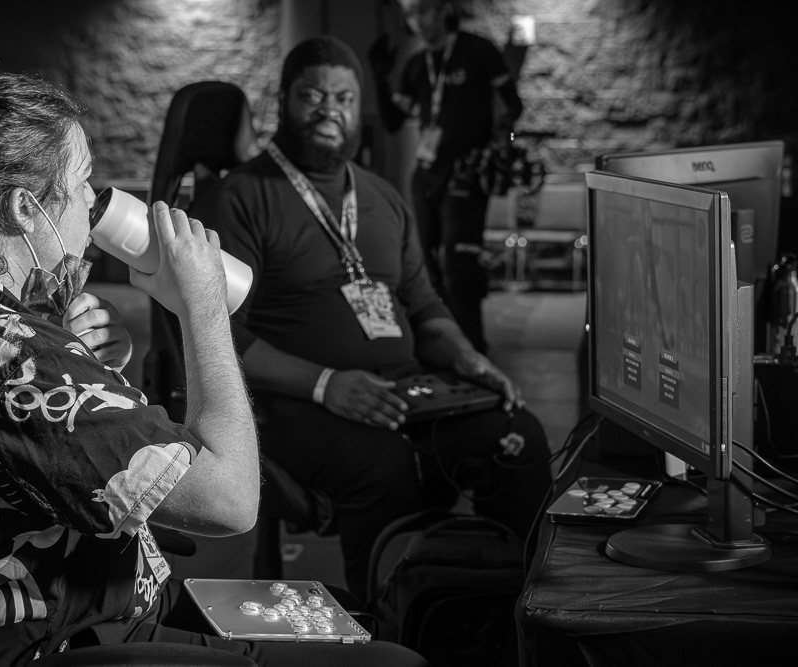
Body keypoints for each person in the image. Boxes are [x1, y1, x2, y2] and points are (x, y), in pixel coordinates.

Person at [0, 71, 427, 667]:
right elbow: (232, 502)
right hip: (72, 636)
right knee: (393, 662)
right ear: (24, 208)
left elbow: (24, 429)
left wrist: (83, 363)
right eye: (82, 182)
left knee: (341, 616)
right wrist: (203, 309)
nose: (92, 201)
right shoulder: (21, 365)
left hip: (39, 607)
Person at [191, 37, 550, 605]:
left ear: (360, 110)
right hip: (292, 406)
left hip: (402, 393)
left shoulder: (383, 197)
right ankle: (380, 623)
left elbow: (425, 308)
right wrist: (327, 385)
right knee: (385, 467)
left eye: (344, 98)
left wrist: (468, 358)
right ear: (282, 102)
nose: (329, 109)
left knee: (517, 437)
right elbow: (217, 336)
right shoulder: (236, 201)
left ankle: (513, 611)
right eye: (312, 95)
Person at [369, 0, 524, 354]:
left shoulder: (477, 50)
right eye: (410, 14)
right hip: (427, 175)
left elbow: (512, 106)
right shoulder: (417, 64)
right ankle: (444, 349)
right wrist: (379, 76)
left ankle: (474, 351)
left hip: (466, 176)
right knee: (427, 267)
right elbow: (393, 121)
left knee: (460, 266)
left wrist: (493, 148)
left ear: (444, 10)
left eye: (423, 11)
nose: (417, 21)